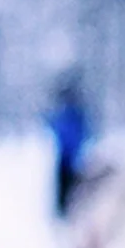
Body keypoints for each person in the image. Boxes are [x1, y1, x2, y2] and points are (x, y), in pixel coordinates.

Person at [45, 75, 93, 217]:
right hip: (70, 158)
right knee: (69, 189)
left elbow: (60, 131)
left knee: (70, 189)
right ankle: (64, 211)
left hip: (70, 158)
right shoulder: (74, 114)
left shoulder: (72, 115)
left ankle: (66, 211)